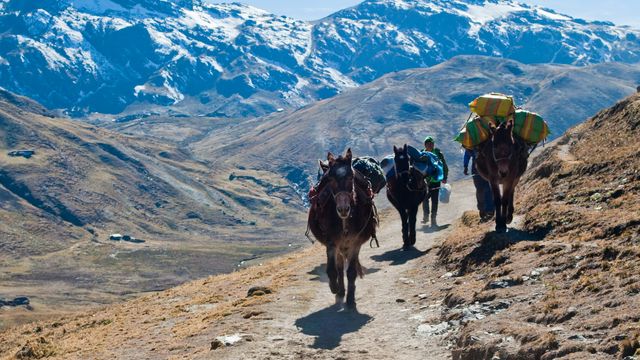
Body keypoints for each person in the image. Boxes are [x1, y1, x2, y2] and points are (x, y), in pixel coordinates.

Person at [422, 136, 448, 227]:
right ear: (425, 145)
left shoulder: (437, 153)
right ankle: (426, 216)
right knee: (424, 199)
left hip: (436, 180)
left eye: (432, 143)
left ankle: (433, 219)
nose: (431, 145)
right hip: (426, 182)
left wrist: (445, 176)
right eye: (429, 143)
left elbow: (444, 164)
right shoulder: (422, 154)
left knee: (434, 201)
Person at [464, 148, 495, 221]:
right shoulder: (473, 143)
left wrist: (465, 166)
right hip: (478, 169)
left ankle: (489, 209)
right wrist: (465, 166)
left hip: (487, 168)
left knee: (487, 188)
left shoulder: (487, 140)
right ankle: (483, 209)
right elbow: (467, 153)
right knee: (481, 189)